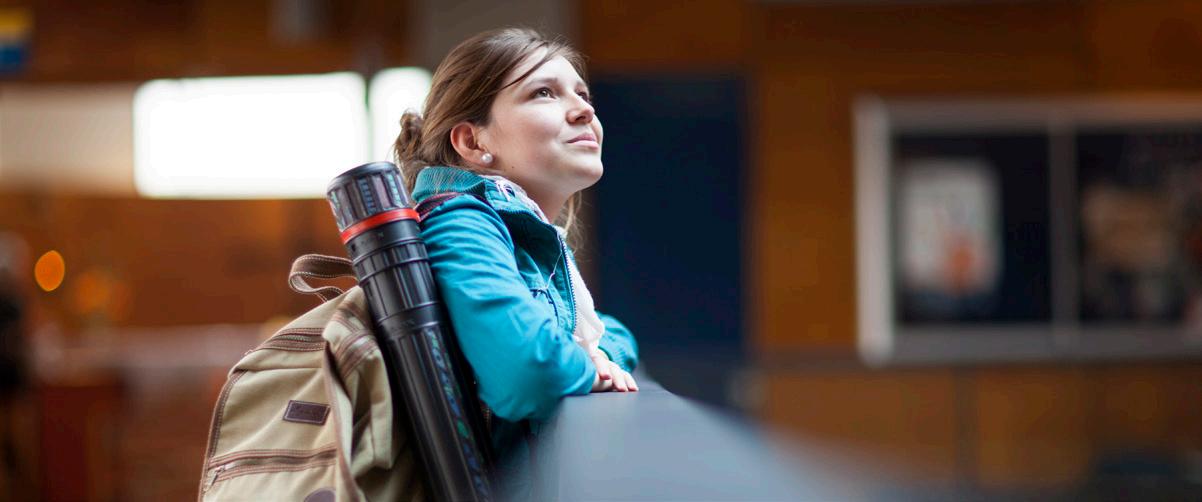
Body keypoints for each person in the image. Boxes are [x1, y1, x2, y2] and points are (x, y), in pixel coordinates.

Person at [391, 27, 640, 490]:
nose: (584, 109)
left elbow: (615, 333)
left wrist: (598, 354)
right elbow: (526, 372)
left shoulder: (518, 234)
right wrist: (586, 363)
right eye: (543, 93)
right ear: (472, 143)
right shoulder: (461, 222)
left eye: (583, 94)